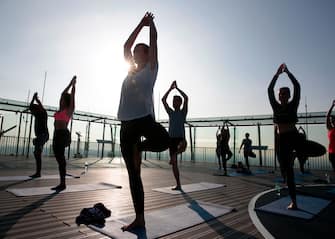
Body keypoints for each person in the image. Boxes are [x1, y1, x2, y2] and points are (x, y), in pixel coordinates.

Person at [117, 12, 170, 231]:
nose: (137, 51)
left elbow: (154, 42)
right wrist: (140, 23)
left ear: (147, 55)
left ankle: (140, 147)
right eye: (137, 51)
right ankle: (140, 218)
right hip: (126, 124)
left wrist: (151, 24)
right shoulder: (130, 70)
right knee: (133, 174)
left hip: (144, 120)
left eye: (142, 50)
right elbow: (125, 45)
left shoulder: (151, 69)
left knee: (164, 141)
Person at [268, 63, 302, 210]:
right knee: (284, 171)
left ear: (288, 96)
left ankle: (294, 201)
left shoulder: (293, 104)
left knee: (289, 171)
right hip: (281, 139)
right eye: (280, 94)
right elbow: (269, 90)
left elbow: (297, 86)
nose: (282, 95)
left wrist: (287, 73)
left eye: (284, 94)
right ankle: (291, 159)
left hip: (293, 136)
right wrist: (276, 75)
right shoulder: (275, 106)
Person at [162, 80, 188, 190]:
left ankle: (173, 156)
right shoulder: (170, 112)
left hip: (180, 139)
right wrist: (170, 89)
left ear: (180, 103)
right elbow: (163, 100)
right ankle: (178, 184)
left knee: (182, 147)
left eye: (176, 101)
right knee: (174, 164)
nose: (173, 103)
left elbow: (186, 98)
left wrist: (177, 89)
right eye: (173, 101)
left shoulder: (183, 112)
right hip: (171, 139)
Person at [52, 76, 76, 191]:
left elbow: (72, 97)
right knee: (58, 157)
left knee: (61, 159)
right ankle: (62, 182)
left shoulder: (68, 110)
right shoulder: (60, 110)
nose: (61, 100)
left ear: (65, 101)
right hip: (56, 135)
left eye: (62, 100)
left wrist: (73, 86)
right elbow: (63, 93)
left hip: (63, 135)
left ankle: (63, 183)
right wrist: (69, 83)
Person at [29, 92, 49, 178]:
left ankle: (38, 173)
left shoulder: (43, 114)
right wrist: (33, 99)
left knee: (37, 152)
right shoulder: (37, 115)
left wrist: (37, 100)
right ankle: (38, 172)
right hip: (41, 136)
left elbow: (41, 107)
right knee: (37, 153)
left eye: (33, 111)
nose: (32, 113)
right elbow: (31, 107)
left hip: (43, 135)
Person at [326, 100, 335, 172]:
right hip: (331, 152)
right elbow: (327, 116)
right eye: (331, 120)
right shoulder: (330, 128)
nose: (331, 121)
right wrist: (332, 106)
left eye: (333, 120)